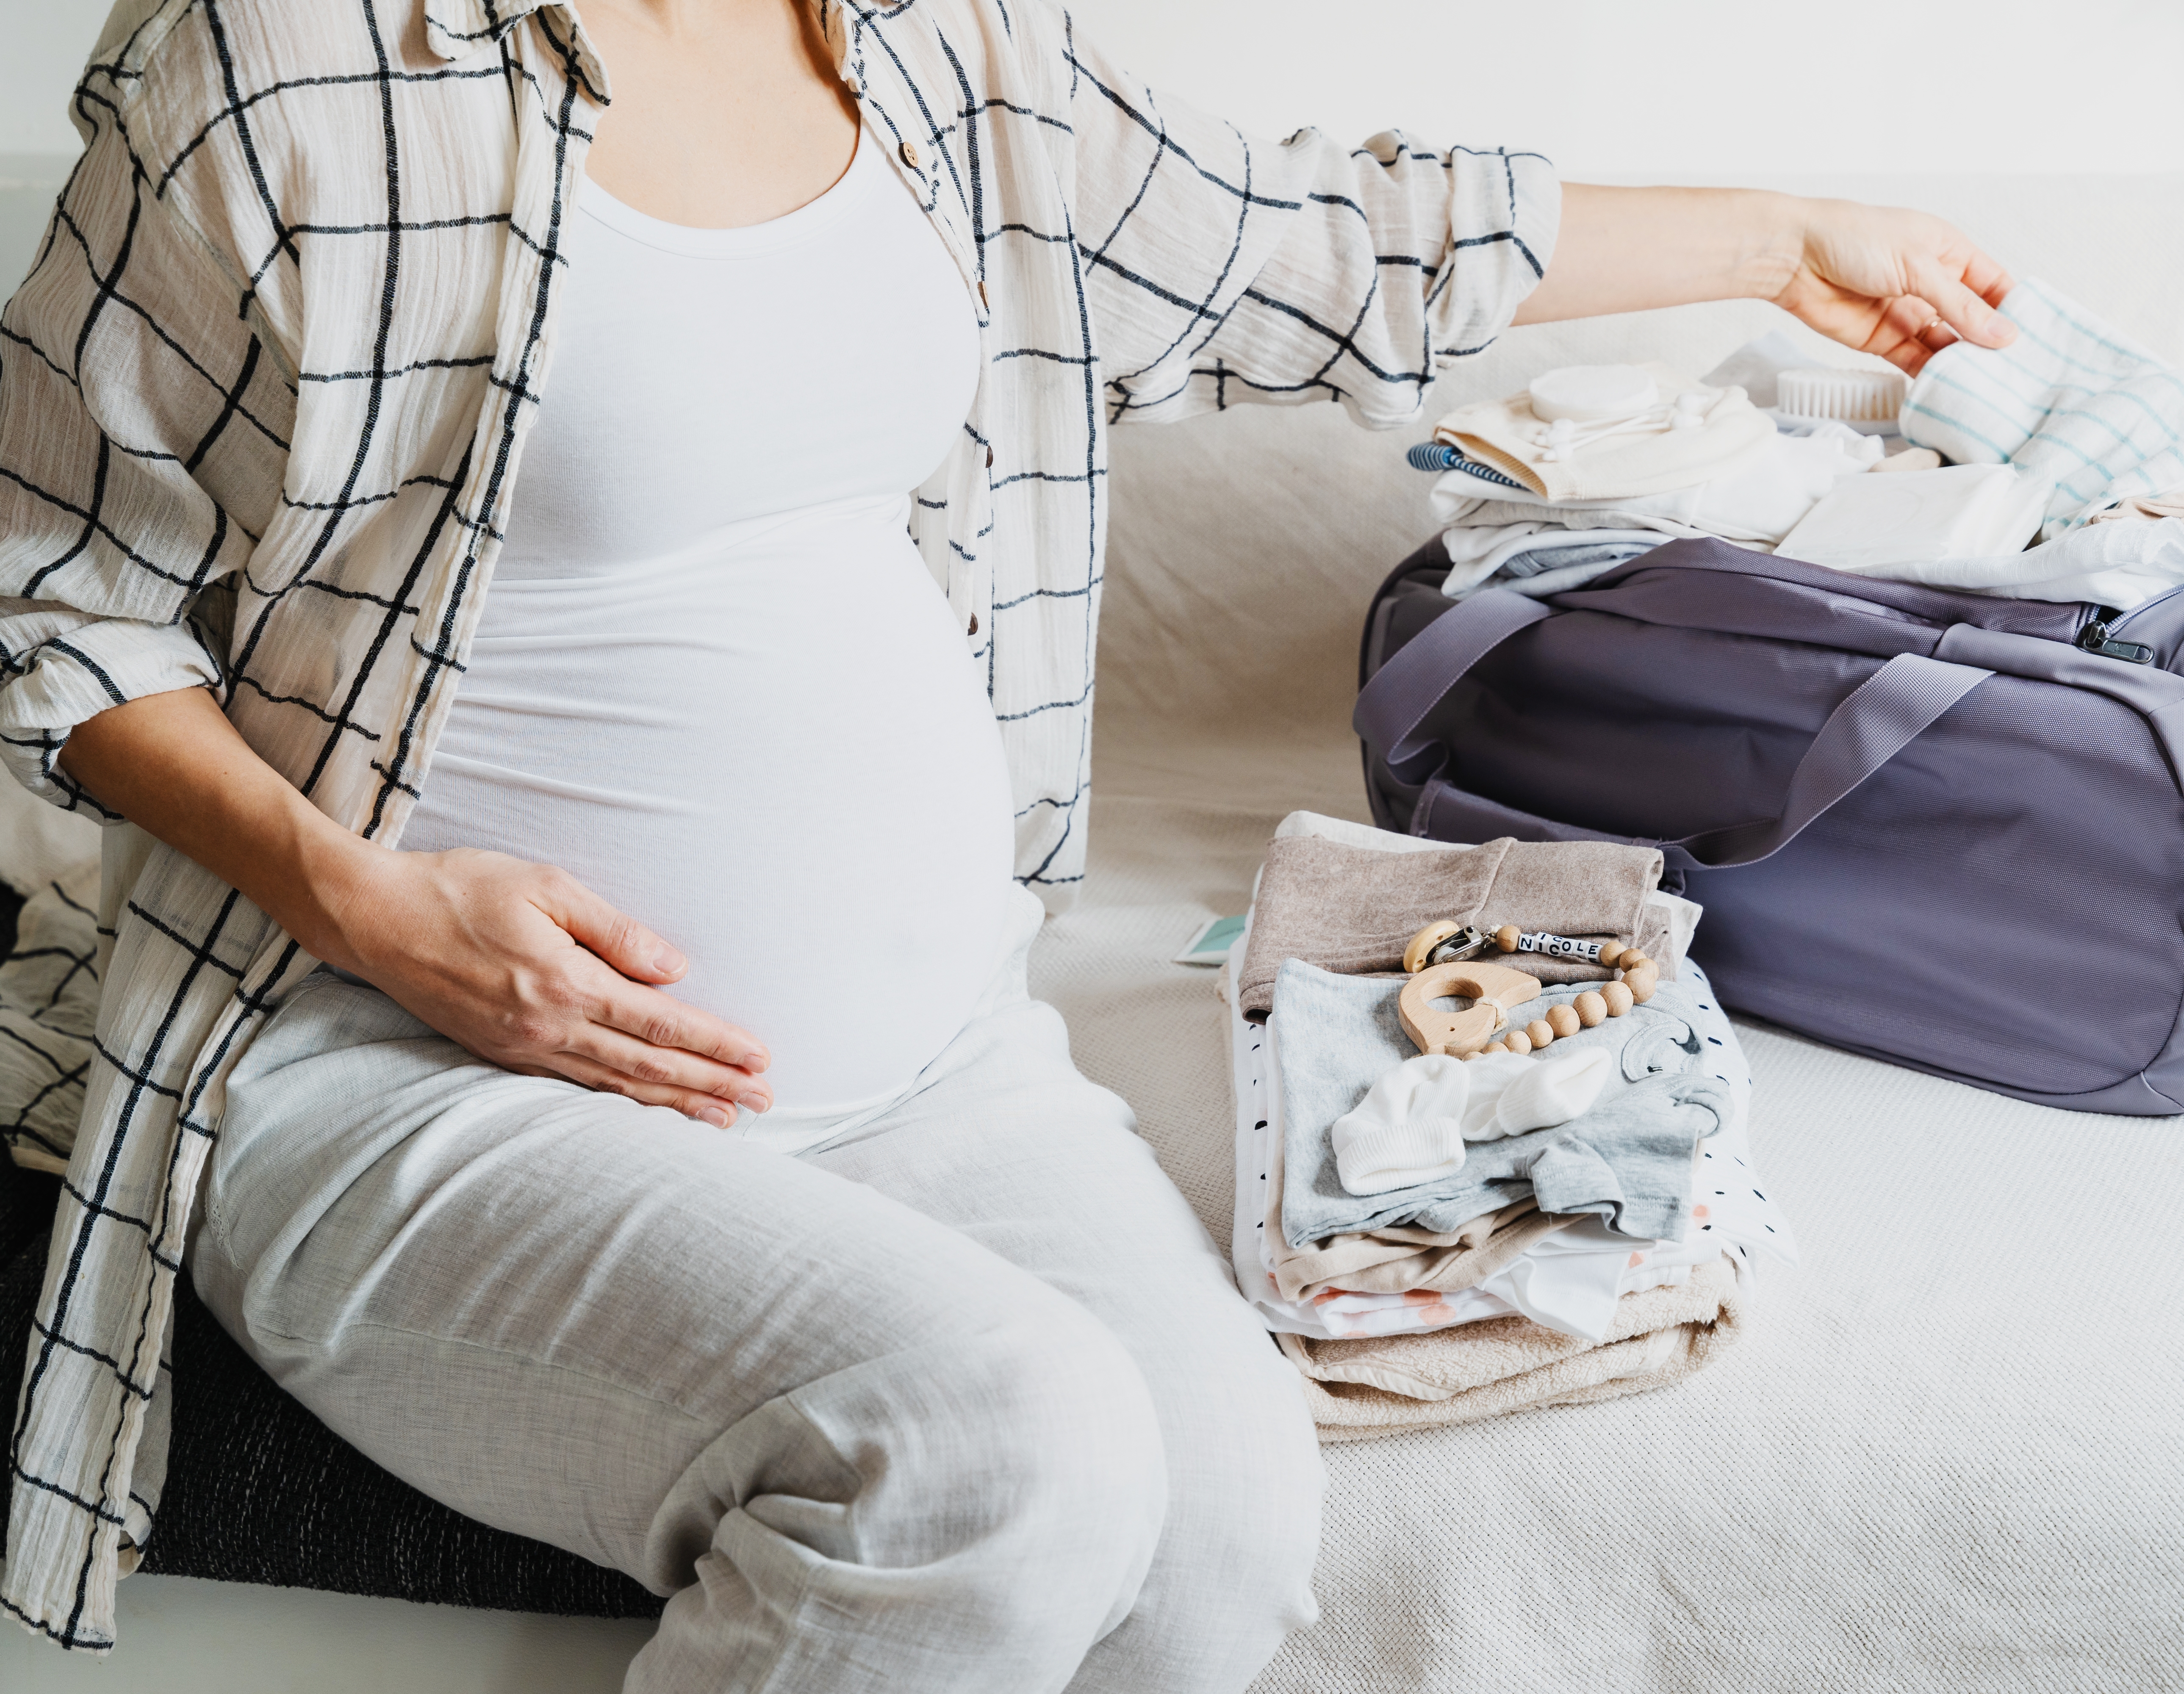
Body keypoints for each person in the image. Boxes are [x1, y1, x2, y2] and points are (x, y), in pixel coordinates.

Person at [0, 0, 2015, 1682]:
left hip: (934, 1065)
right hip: (407, 1063)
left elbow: (1314, 236)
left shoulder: (929, 43)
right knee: (996, 1450)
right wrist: (363, 904)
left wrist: (1780, 239)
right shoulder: (291, 62)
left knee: (1223, 1537)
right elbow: (54, 584)